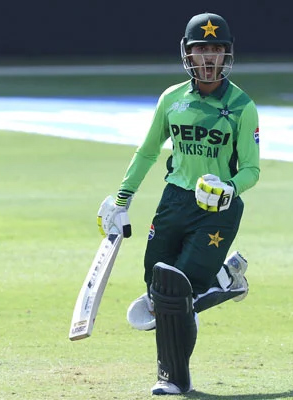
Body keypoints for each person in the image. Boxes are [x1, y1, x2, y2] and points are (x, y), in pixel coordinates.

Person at [97, 11, 260, 395]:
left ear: (227, 54)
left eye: (216, 49)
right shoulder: (171, 99)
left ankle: (171, 378)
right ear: (188, 53)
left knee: (175, 292)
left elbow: (252, 170)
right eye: (201, 49)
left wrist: (229, 188)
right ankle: (224, 280)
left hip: (217, 210)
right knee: (159, 291)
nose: (208, 57)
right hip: (174, 202)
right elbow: (147, 152)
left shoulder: (242, 106)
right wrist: (121, 200)